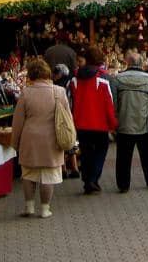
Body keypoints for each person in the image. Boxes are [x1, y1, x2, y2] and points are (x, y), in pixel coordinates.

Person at [11, 58, 71, 218]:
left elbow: (17, 121)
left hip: (29, 139)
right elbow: (67, 118)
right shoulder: (59, 92)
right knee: (48, 175)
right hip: (52, 139)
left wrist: (15, 142)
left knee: (29, 173)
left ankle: (29, 206)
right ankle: (45, 208)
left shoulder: (26, 93)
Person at [111, 50, 148, 193]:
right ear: (142, 64)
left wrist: (116, 119)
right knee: (147, 154)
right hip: (144, 123)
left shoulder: (118, 79)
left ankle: (123, 184)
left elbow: (114, 102)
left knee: (123, 156)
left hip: (124, 123)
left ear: (127, 63)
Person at [68, 45, 117, 193]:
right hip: (99, 123)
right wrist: (113, 123)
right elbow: (109, 102)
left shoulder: (74, 80)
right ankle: (93, 178)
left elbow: (70, 103)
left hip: (81, 123)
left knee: (86, 152)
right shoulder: (104, 79)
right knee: (101, 149)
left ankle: (87, 179)